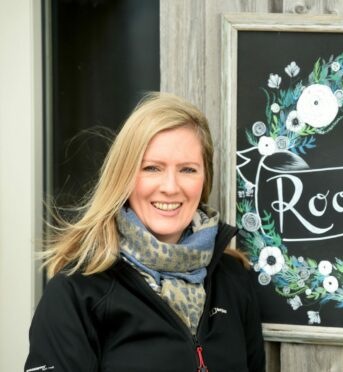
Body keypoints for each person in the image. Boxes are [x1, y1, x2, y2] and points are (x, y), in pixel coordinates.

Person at [25, 92, 265, 372]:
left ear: (204, 179)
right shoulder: (76, 293)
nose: (171, 187)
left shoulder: (233, 279)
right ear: (124, 177)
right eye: (152, 168)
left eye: (188, 169)